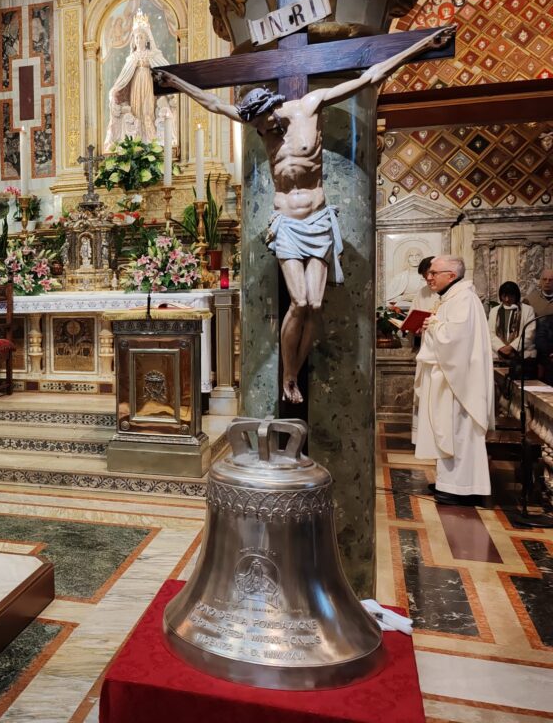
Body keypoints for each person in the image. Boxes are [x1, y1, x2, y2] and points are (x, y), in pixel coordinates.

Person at [156, 25, 454, 403]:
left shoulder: (310, 106)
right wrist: (176, 82)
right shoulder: (258, 124)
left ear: (273, 109)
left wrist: (421, 45)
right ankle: (289, 375)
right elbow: (213, 103)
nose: (263, 132)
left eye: (265, 124)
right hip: (286, 222)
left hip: (317, 218)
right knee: (299, 302)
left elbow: (370, 76)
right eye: (257, 128)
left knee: (314, 304)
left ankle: (294, 372)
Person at [413, 256, 494, 504]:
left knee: (459, 432)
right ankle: (448, 482)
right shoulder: (451, 297)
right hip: (448, 377)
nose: (429, 277)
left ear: (451, 275)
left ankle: (463, 488)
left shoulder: (464, 299)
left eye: (434, 273)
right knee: (447, 431)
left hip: (460, 382)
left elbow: (456, 339)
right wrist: (430, 326)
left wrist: (433, 325)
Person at [103, 10, 177, 152]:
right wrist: (114, 91)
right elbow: (124, 77)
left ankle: (150, 138)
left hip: (148, 84)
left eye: (141, 37)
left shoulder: (152, 54)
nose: (138, 40)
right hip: (136, 85)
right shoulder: (131, 58)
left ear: (147, 39)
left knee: (148, 108)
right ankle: (137, 140)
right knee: (136, 109)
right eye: (136, 37)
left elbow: (164, 68)